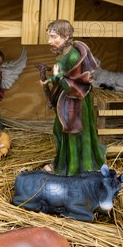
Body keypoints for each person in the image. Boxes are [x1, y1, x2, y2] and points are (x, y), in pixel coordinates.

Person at [40, 19, 105, 176]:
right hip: (66, 99)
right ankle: (63, 162)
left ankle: (73, 168)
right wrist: (51, 78)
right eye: (49, 36)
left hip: (75, 101)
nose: (50, 41)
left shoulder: (73, 56)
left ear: (66, 36)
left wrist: (54, 78)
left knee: (73, 132)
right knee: (60, 129)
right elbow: (62, 75)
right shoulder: (63, 53)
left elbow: (72, 82)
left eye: (54, 37)